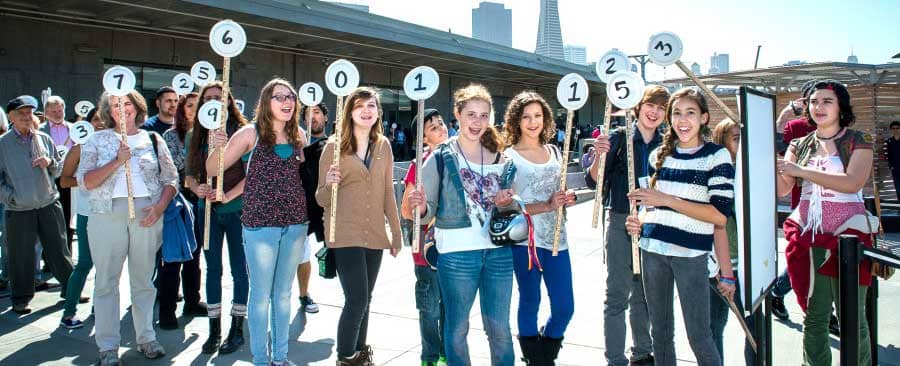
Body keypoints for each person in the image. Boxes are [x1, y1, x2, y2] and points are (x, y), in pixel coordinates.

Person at [408, 84, 517, 366]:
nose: (477, 122)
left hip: (499, 253)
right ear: (457, 114)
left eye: (483, 115)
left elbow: (510, 208)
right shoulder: (441, 157)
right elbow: (425, 210)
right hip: (457, 255)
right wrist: (419, 205)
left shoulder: (501, 155)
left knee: (500, 329)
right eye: (471, 114)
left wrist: (507, 200)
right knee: (457, 327)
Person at [625, 87, 735, 366]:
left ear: (704, 118)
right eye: (676, 113)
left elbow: (719, 216)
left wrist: (666, 199)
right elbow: (652, 209)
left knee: (699, 335)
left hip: (691, 255)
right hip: (652, 251)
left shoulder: (717, 156)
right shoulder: (658, 156)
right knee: (659, 333)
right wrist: (640, 221)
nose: (682, 120)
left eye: (690, 112)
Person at [207, 78, 309, 366]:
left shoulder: (300, 135)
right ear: (266, 102)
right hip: (260, 224)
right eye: (279, 97)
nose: (287, 101)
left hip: (295, 223)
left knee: (284, 294)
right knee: (261, 294)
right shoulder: (250, 133)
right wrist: (216, 147)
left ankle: (281, 358)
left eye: (290, 96)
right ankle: (261, 360)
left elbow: (295, 177)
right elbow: (212, 168)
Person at [776, 80, 874, 366]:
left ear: (841, 106)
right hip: (808, 236)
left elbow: (852, 182)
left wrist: (799, 170)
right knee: (815, 316)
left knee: (852, 317)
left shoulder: (859, 139)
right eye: (814, 101)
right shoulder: (799, 144)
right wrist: (770, 164)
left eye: (827, 101)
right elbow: (783, 189)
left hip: (849, 239)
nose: (818, 107)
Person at [77, 90, 178, 364]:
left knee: (143, 280)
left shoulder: (153, 139)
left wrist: (159, 208)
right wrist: (116, 161)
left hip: (146, 213)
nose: (122, 109)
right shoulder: (97, 140)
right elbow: (85, 181)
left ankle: (146, 337)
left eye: (127, 103)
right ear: (107, 110)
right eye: (115, 105)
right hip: (106, 215)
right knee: (106, 281)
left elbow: (171, 179)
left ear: (137, 107)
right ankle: (108, 346)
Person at [318, 87, 403, 365]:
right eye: (359, 106)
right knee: (356, 299)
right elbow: (320, 198)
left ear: (378, 111)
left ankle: (360, 353)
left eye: (371, 106)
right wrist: (330, 183)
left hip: (376, 234)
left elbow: (388, 192)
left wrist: (397, 232)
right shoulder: (333, 147)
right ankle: (345, 358)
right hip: (344, 233)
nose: (366, 111)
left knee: (366, 299)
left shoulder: (384, 146)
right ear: (349, 112)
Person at [586, 86, 670, 366]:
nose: (654, 111)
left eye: (661, 107)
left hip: (655, 222)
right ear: (638, 106)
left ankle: (643, 353)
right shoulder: (619, 139)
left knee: (646, 293)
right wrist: (599, 154)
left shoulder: (667, 143)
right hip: (622, 219)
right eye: (651, 105)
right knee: (618, 294)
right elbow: (594, 183)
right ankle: (615, 358)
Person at [502, 91, 576, 365]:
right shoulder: (508, 156)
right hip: (525, 242)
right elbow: (506, 206)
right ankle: (536, 359)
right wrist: (545, 205)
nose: (533, 122)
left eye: (538, 116)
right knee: (530, 301)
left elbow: (558, 191)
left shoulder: (555, 151)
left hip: (557, 239)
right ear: (516, 121)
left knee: (565, 307)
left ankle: (546, 352)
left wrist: (566, 197)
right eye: (526, 117)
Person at [186, 82, 248, 353]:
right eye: (208, 98)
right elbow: (188, 174)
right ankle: (214, 330)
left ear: (229, 102)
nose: (213, 102)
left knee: (239, 269)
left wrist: (228, 194)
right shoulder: (195, 135)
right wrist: (196, 187)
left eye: (218, 98)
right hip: (207, 210)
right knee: (212, 269)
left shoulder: (243, 133)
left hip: (237, 210)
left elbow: (252, 176)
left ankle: (236, 329)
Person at [0, 95, 74, 315]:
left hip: (48, 204)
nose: (26, 117)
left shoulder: (43, 138)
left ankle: (71, 289)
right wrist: (12, 197)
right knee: (20, 255)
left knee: (59, 250)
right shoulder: (3, 144)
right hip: (19, 209)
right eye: (21, 113)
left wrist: (50, 162)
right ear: (11, 117)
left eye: (29, 112)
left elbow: (59, 170)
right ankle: (21, 298)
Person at [400, 108, 449, 366]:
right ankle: (430, 357)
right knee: (429, 309)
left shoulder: (458, 158)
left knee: (451, 309)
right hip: (427, 252)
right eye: (433, 127)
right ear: (422, 139)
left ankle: (447, 354)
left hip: (456, 250)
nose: (441, 128)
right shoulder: (418, 166)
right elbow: (406, 210)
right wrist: (424, 207)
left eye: (442, 123)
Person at [708, 118, 755, 365]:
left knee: (756, 331)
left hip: (751, 264)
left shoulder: (753, 171)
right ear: (722, 141)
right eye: (736, 138)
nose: (742, 144)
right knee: (714, 326)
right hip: (719, 266)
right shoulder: (713, 172)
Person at [59, 107, 105, 329]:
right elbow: (64, 181)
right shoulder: (78, 148)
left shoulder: (114, 146)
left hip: (110, 214)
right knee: (85, 263)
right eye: (96, 119)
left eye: (105, 119)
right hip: (87, 214)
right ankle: (69, 312)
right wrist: (89, 180)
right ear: (88, 123)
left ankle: (100, 307)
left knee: (105, 266)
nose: (101, 123)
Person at [297, 102, 329, 315]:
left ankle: (303, 294)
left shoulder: (334, 144)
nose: (312, 118)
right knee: (300, 253)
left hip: (322, 207)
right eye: (308, 114)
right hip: (297, 207)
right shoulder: (296, 143)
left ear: (326, 117)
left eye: (316, 112)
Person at [39, 96, 75, 250]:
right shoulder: (39, 131)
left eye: (60, 110)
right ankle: (50, 259)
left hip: (71, 180)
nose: (58, 114)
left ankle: (67, 255)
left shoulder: (75, 129)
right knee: (51, 221)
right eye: (53, 111)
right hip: (49, 181)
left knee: (68, 219)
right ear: (46, 113)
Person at [885, 121, 900, 198]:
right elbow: (889, 154)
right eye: (893, 128)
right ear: (891, 130)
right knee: (898, 187)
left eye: (897, 128)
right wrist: (891, 165)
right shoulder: (890, 141)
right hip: (895, 168)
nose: (895, 130)